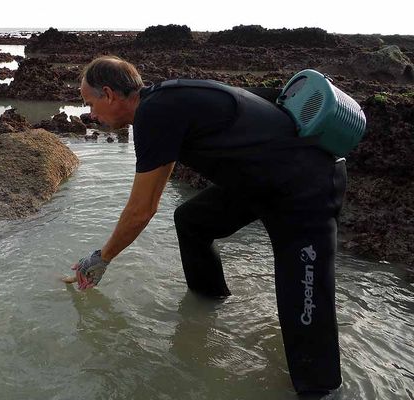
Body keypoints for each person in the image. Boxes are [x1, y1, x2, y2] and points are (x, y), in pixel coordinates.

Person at [69, 55, 346, 394]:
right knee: (192, 221)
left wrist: (102, 258)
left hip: (306, 192)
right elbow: (153, 190)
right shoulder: (164, 103)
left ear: (109, 94)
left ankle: (321, 390)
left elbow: (141, 210)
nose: (91, 115)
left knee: (304, 315)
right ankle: (208, 304)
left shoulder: (155, 112)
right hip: (259, 186)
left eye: (90, 103)